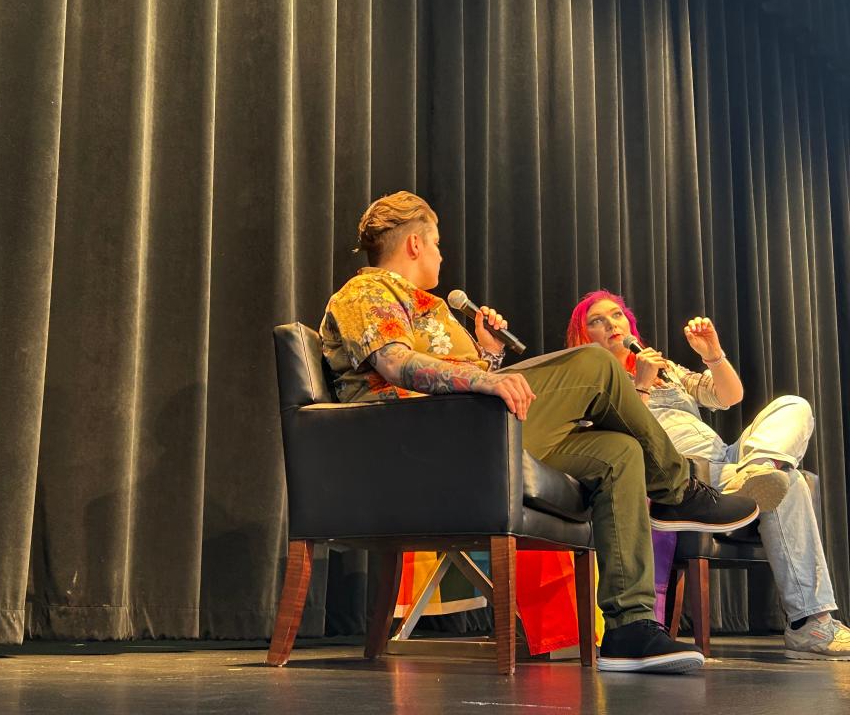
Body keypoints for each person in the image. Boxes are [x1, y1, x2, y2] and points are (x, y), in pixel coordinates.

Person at [319, 191, 759, 673]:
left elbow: (456, 380)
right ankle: (678, 490)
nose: (444, 255)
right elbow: (397, 364)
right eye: (439, 243)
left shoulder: (435, 308)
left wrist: (487, 355)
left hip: (469, 436)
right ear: (416, 244)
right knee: (594, 362)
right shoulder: (367, 292)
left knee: (620, 452)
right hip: (423, 447)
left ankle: (629, 628)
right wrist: (488, 377)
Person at [566, 289, 850, 661]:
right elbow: (616, 440)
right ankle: (810, 624)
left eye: (616, 315)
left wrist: (712, 355)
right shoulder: (593, 378)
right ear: (584, 336)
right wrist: (641, 385)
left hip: (728, 461)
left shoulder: (666, 369)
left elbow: (728, 396)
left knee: (793, 406)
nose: (610, 325)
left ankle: (757, 472)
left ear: (629, 323)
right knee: (791, 484)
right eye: (597, 322)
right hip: (683, 474)